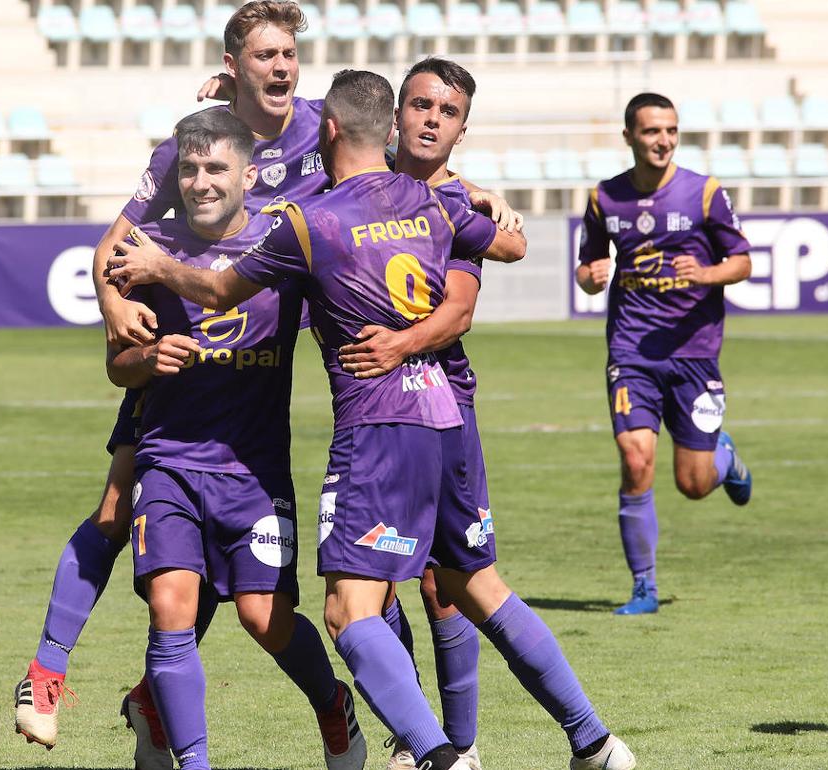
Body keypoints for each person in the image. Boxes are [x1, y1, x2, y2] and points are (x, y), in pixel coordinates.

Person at [109, 68, 637, 770]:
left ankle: (436, 755)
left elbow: (215, 287)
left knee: (348, 615)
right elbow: (510, 245)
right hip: (449, 416)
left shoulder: (311, 221)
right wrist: (477, 198)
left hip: (379, 426)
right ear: (387, 129)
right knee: (477, 586)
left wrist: (155, 262)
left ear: (328, 129)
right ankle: (596, 744)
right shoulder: (432, 199)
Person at [106, 109, 364, 770]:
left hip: (255, 472)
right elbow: (117, 365)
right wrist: (146, 358)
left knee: (262, 616)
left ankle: (333, 704)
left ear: (248, 174)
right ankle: (194, 761)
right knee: (171, 604)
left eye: (215, 167)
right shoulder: (146, 245)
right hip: (169, 463)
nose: (200, 181)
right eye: (189, 169)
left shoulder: (283, 244)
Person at [338, 56, 493, 770]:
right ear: (396, 113)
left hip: (445, 400)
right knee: (376, 579)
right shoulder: (351, 178)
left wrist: (487, 206)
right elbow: (316, 114)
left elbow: (474, 291)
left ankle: (456, 746)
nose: (432, 119)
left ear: (463, 127)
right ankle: (417, 736)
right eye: (421, 105)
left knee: (443, 583)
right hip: (375, 409)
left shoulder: (458, 200)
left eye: (448, 110)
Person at [575, 92, 753, 615]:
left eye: (671, 130)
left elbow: (741, 261)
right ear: (629, 136)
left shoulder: (703, 194)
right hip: (631, 352)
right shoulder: (605, 198)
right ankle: (643, 589)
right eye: (652, 131)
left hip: (694, 353)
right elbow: (586, 271)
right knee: (636, 459)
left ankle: (724, 458)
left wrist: (707, 273)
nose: (664, 140)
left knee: (694, 484)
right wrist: (592, 276)